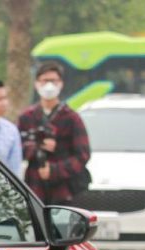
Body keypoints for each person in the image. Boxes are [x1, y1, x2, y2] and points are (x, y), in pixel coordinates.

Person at [18, 61, 91, 204]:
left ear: (61, 84)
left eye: (53, 81)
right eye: (45, 80)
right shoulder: (26, 117)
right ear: (36, 84)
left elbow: (83, 155)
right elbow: (16, 148)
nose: (49, 85)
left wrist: (55, 170)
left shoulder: (71, 118)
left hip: (64, 190)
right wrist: (37, 146)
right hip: (34, 187)